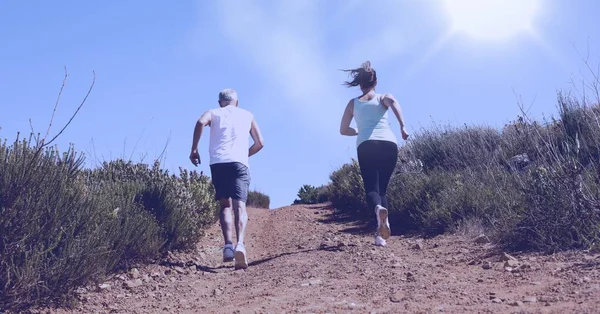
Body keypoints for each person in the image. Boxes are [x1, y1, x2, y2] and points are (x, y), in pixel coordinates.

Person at [189, 88, 264, 269]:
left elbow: (200, 122)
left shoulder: (213, 113)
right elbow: (260, 143)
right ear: (236, 102)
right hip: (239, 163)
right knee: (240, 205)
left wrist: (194, 149)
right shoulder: (247, 115)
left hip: (218, 163)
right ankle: (240, 244)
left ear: (219, 102)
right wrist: (244, 155)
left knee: (225, 204)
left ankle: (228, 246)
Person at [339, 61, 409, 247]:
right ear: (375, 82)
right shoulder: (382, 97)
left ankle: (378, 211)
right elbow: (392, 102)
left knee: (372, 188)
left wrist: (359, 130)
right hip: (389, 144)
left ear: (360, 84)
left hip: (366, 145)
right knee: (383, 189)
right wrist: (402, 126)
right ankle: (381, 236)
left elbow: (343, 130)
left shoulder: (352, 104)